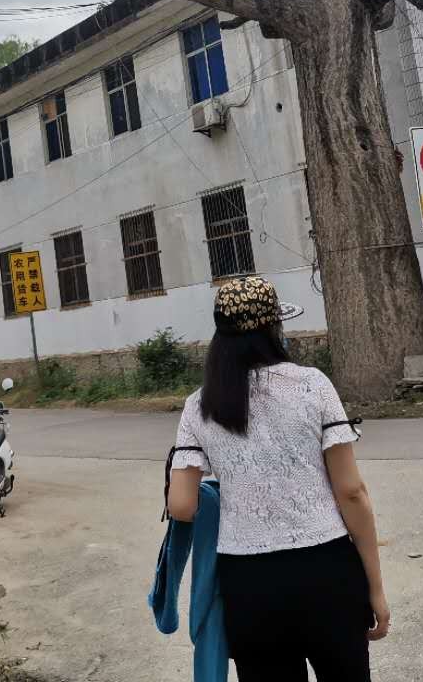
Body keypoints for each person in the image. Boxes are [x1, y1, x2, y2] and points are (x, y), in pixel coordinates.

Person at [166, 275, 388, 681]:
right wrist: (376, 588)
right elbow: (351, 492)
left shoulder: (199, 406)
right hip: (327, 570)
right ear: (275, 328)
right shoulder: (313, 385)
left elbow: (181, 506)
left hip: (248, 583)